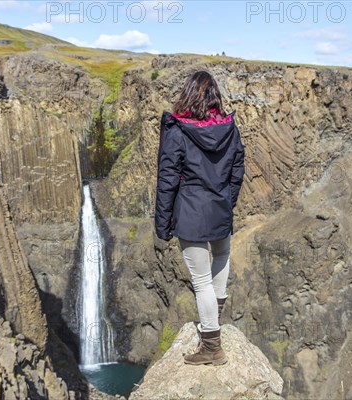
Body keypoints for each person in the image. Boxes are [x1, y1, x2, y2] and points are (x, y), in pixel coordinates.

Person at [155, 70, 245, 366]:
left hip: (191, 214)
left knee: (201, 281)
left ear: (188, 95)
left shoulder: (178, 131)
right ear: (215, 97)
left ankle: (211, 347)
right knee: (221, 256)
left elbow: (167, 179)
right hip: (219, 210)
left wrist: (163, 223)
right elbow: (237, 169)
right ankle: (213, 320)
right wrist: (226, 202)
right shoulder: (230, 128)